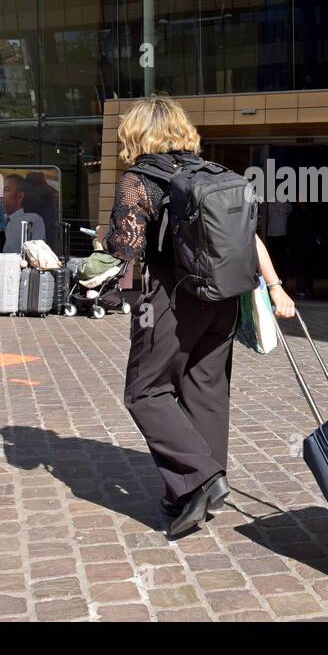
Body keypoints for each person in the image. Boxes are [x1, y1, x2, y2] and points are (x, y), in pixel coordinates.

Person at [104, 95, 295, 539]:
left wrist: (106, 243)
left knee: (146, 391)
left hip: (169, 297)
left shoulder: (141, 179)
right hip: (223, 296)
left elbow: (125, 250)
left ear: (137, 133)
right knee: (205, 388)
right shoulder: (213, 175)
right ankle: (189, 493)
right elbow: (250, 239)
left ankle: (202, 477)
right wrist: (275, 285)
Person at [1, 174, 46, 256]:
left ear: (20, 197)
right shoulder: (0, 219)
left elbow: (37, 251)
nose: (2, 195)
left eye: (6, 190)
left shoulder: (33, 219)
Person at [265, 198, 292, 286]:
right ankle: (278, 280)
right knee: (278, 260)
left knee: (276, 260)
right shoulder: (282, 203)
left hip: (275, 234)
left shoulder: (270, 203)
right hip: (275, 234)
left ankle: (275, 280)